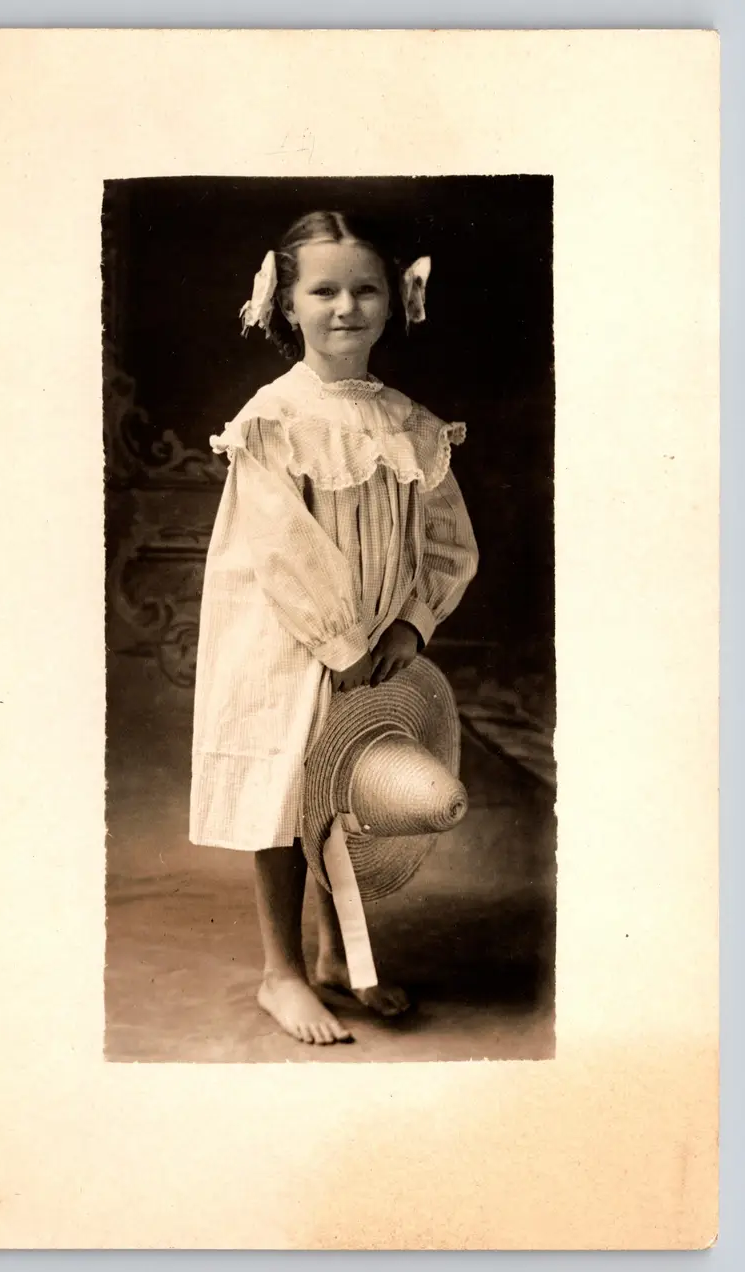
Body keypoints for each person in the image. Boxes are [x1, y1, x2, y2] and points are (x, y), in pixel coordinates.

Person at [189, 210, 479, 1044]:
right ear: (286, 304)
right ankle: (280, 974)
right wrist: (342, 641)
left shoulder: (412, 424)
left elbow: (450, 541)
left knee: (341, 789)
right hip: (287, 635)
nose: (345, 307)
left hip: (374, 637)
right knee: (289, 795)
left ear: (397, 302)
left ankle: (332, 956)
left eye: (366, 289)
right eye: (324, 290)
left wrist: (412, 626)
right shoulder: (274, 417)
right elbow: (280, 546)